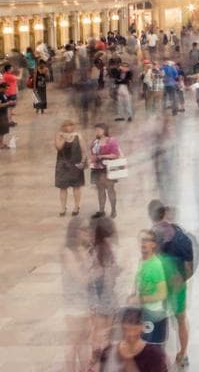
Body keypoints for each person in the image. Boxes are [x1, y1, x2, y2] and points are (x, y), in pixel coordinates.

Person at [148, 201, 193, 368]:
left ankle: (159, 356)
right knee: (181, 319)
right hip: (177, 286)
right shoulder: (181, 235)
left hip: (159, 286)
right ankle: (183, 353)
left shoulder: (152, 237)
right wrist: (181, 280)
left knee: (159, 320)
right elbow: (189, 266)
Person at [88, 216, 120, 369]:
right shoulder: (104, 250)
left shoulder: (94, 248)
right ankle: (101, 362)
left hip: (96, 297)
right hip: (105, 296)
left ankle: (95, 361)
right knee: (106, 333)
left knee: (98, 331)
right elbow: (107, 277)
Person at [61, 217, 91, 372]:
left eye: (88, 228)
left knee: (85, 339)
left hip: (86, 301)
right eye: (84, 229)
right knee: (74, 340)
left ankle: (84, 369)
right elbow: (80, 279)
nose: (88, 232)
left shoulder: (85, 249)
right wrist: (97, 272)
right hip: (74, 304)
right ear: (75, 232)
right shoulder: (68, 252)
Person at [99, 307, 168, 371]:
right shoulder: (108, 352)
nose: (131, 328)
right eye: (128, 322)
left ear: (143, 327)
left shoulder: (154, 355)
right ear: (121, 325)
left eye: (136, 322)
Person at [132, 230, 169, 346]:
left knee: (154, 351)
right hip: (143, 312)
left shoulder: (155, 265)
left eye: (147, 241)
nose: (143, 244)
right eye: (142, 240)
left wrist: (140, 299)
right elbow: (138, 281)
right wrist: (133, 295)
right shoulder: (142, 261)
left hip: (154, 315)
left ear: (154, 245)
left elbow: (162, 294)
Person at [89, 123, 122, 219]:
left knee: (110, 189)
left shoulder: (111, 141)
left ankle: (113, 210)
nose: (97, 132)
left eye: (99, 130)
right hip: (97, 169)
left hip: (107, 168)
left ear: (105, 130)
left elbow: (115, 154)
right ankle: (101, 210)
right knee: (100, 190)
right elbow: (92, 155)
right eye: (96, 130)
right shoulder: (95, 142)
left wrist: (103, 156)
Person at [55, 120, 87, 216]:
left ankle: (76, 206)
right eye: (66, 126)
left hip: (75, 164)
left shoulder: (78, 136)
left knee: (76, 187)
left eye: (70, 125)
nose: (69, 128)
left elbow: (83, 150)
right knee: (63, 187)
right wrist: (64, 138)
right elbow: (58, 147)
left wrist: (83, 161)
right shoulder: (59, 136)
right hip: (62, 164)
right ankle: (62, 207)